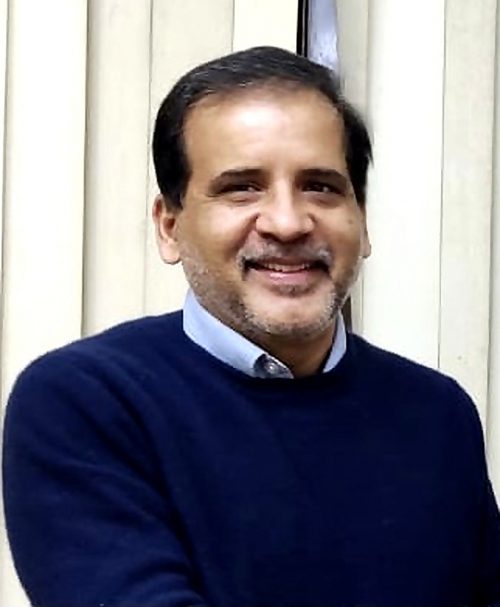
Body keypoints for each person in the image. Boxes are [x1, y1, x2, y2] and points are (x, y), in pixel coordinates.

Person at [3, 46, 500, 607]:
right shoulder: (88, 402)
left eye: (320, 186)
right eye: (241, 186)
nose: (287, 222)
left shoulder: (439, 414)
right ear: (169, 227)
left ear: (361, 222)